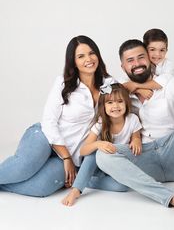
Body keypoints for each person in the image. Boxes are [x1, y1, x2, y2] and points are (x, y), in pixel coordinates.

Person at [96, 39, 174, 219]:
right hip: (144, 156)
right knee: (102, 154)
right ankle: (171, 197)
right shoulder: (120, 90)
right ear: (123, 66)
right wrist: (134, 88)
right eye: (130, 60)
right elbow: (99, 103)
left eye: (141, 57)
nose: (137, 64)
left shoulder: (167, 83)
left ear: (150, 59)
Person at [0, 35, 127, 197]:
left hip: (74, 155)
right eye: (81, 56)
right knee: (23, 169)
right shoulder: (63, 83)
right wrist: (66, 157)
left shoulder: (108, 84)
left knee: (42, 188)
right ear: (73, 61)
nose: (88, 59)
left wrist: (139, 86)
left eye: (91, 53)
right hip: (45, 137)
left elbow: (122, 97)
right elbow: (49, 121)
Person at [62, 83, 142, 206]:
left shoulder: (132, 119)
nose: (115, 106)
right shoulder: (101, 123)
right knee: (93, 153)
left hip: (114, 168)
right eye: (110, 103)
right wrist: (98, 144)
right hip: (97, 166)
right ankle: (76, 189)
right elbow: (83, 151)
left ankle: (85, 180)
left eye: (120, 101)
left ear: (126, 103)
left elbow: (136, 136)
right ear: (103, 106)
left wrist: (136, 139)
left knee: (123, 187)